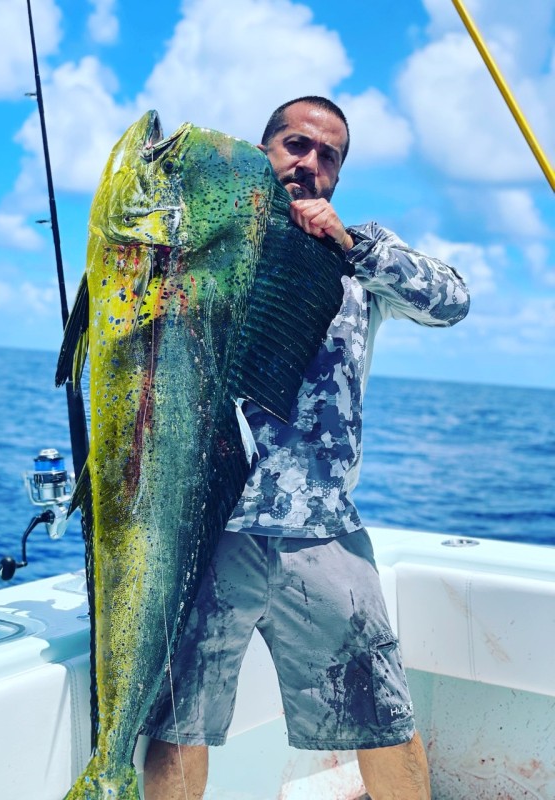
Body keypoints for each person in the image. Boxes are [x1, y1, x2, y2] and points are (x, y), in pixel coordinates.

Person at [141, 96, 470, 799]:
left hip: (325, 534)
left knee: (385, 722)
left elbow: (452, 301)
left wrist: (355, 247)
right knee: (177, 728)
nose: (309, 163)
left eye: (328, 156)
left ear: (339, 176)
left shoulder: (362, 259)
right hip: (211, 531)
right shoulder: (211, 246)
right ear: (265, 153)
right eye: (295, 145)